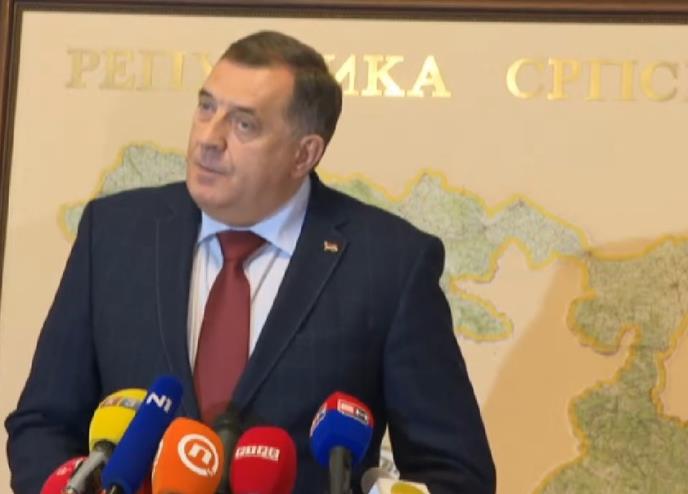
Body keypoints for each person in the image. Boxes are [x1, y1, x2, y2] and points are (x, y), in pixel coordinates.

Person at [5, 31, 495, 493]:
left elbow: (453, 472)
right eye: (206, 107)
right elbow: (43, 424)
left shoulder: (389, 264)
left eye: (244, 124)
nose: (208, 138)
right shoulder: (114, 234)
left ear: (304, 154)